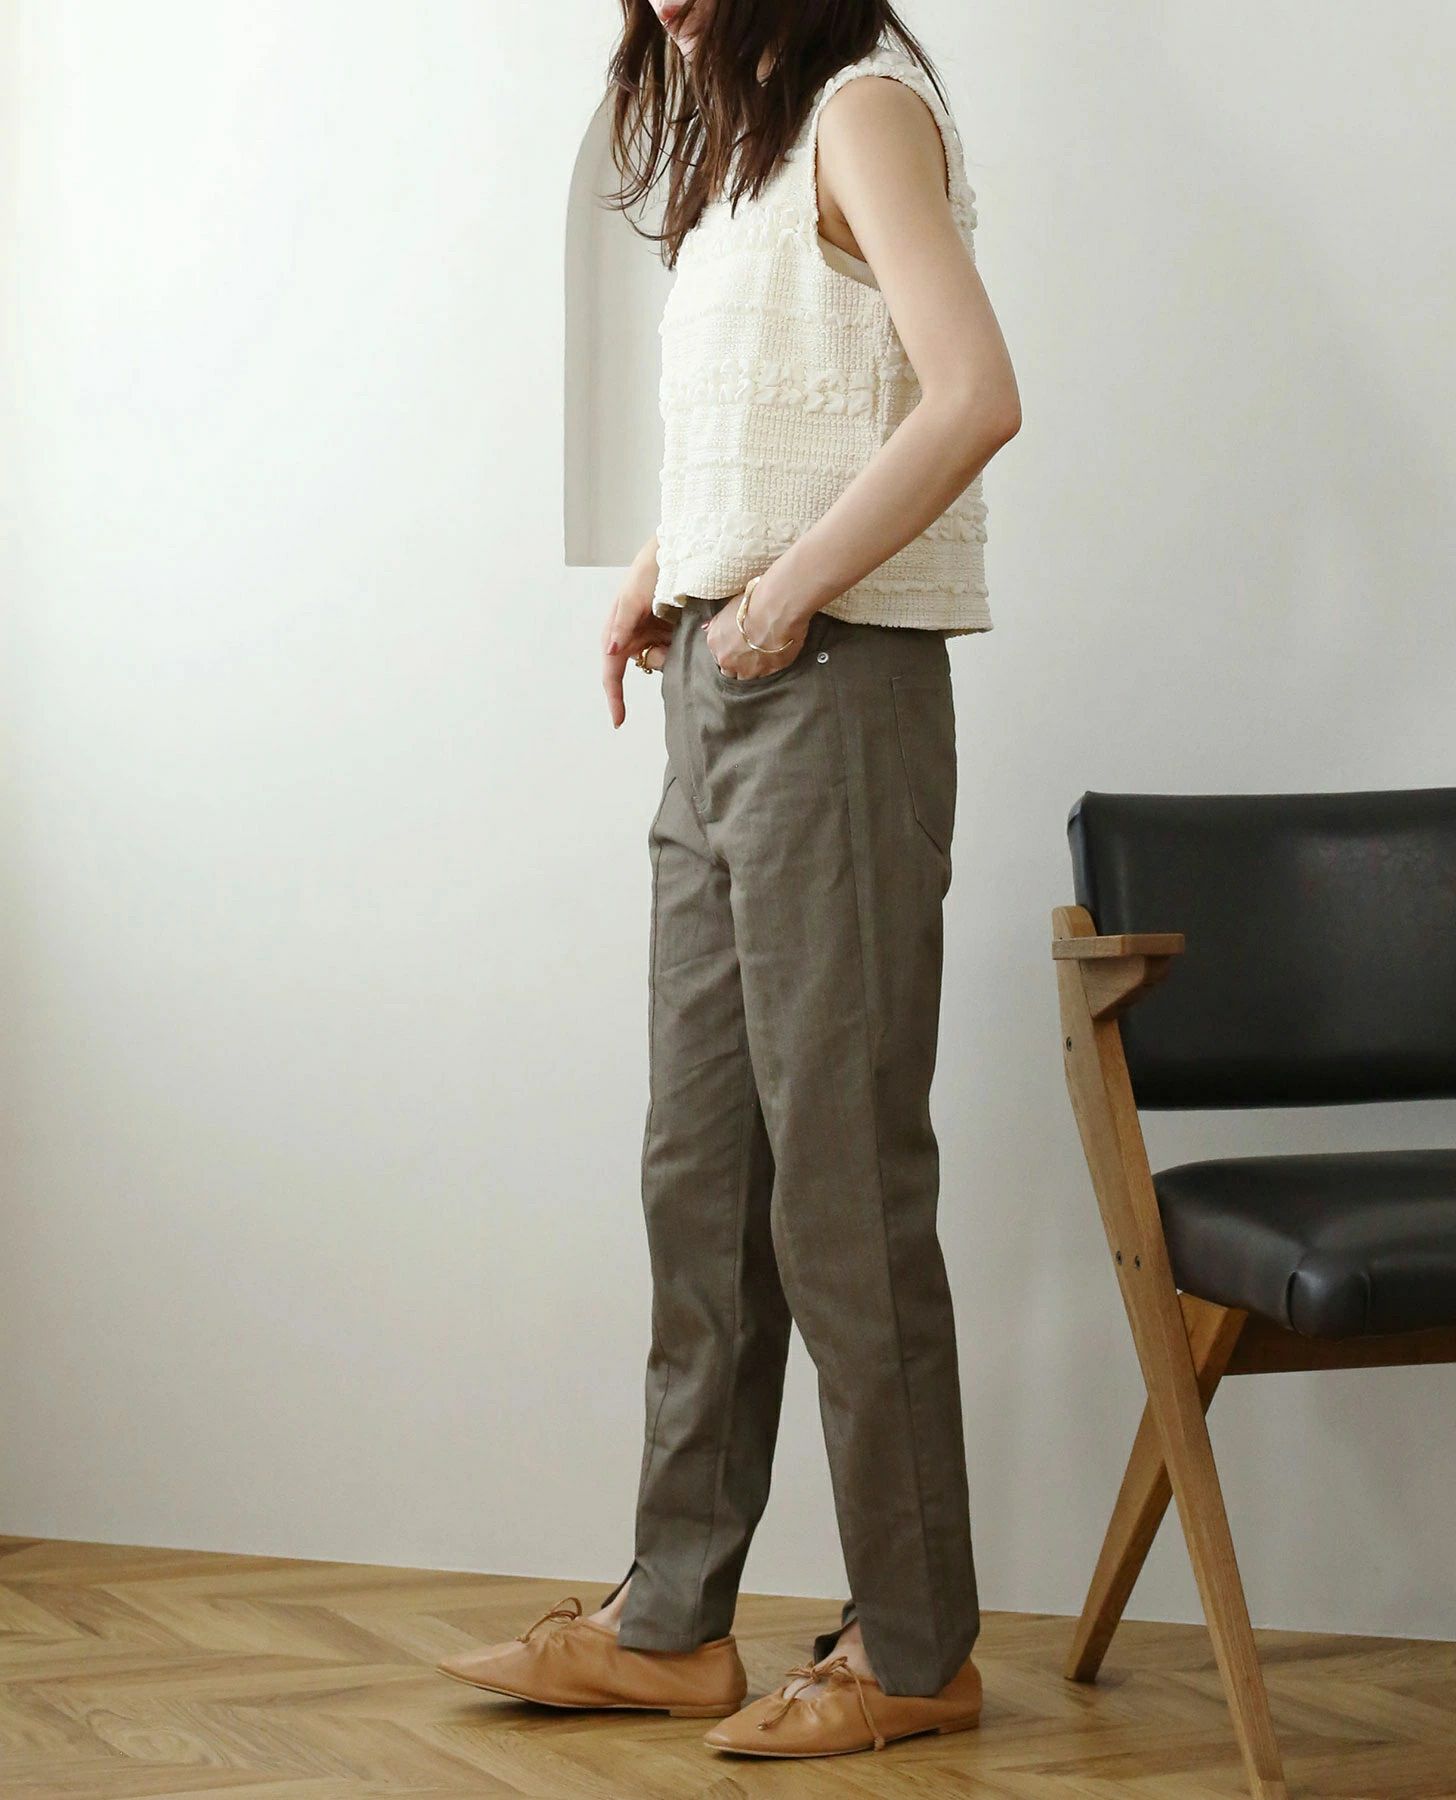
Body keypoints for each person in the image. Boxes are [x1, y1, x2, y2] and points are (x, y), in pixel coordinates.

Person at [438, 0, 1021, 1760]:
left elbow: (975, 394)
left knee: (840, 1184)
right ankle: (674, 1621)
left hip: (830, 682)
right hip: (726, 679)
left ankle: (915, 1649)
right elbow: (794, 422)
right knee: (701, 1175)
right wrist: (668, 566)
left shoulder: (864, 110)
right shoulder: (747, 148)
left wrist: (780, 596)